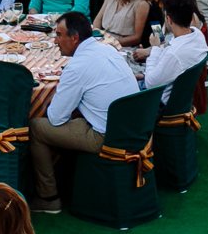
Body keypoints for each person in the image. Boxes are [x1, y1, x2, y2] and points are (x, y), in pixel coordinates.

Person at [28, 13, 139, 213]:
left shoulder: (77, 67)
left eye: (59, 35)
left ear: (75, 38)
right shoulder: (109, 49)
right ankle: (66, 177)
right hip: (136, 127)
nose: (55, 40)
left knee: (37, 127)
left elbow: (55, 118)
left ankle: (48, 198)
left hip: (108, 136)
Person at [139, 0, 208, 109]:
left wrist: (155, 48)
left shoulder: (174, 54)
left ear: (169, 20)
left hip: (160, 104)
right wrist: (143, 75)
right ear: (192, 17)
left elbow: (150, 84)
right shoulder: (197, 35)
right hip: (178, 98)